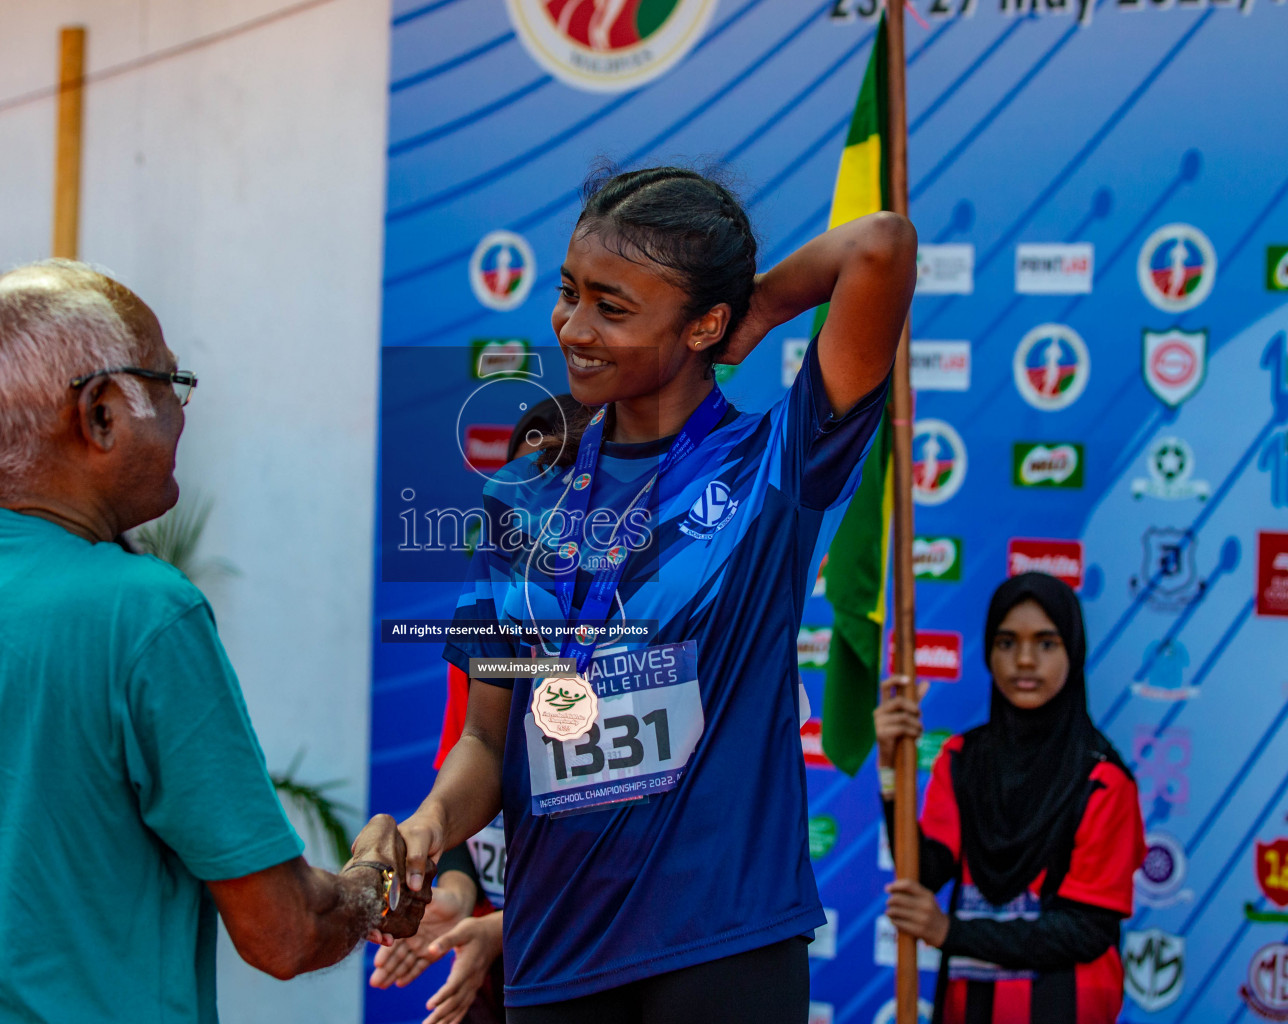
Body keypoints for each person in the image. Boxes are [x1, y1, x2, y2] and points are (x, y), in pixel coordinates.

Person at [0, 260, 426, 1024]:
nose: (183, 415)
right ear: (98, 414)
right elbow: (282, 933)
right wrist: (373, 888)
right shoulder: (146, 615)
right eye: (168, 384)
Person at [356, 165, 915, 1022]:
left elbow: (880, 246)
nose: (574, 329)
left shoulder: (774, 465)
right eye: (570, 293)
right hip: (555, 948)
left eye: (613, 308)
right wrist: (432, 824)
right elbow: (485, 737)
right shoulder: (520, 500)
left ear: (704, 324)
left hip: (723, 942)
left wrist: (757, 309)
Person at [371, 396, 582, 1024]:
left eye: (553, 496)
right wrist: (454, 887)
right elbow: (472, 774)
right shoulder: (492, 645)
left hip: (599, 962)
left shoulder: (640, 648)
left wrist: (502, 931)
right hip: (494, 962)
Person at [875, 572, 1145, 1024]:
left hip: (1066, 1006)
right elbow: (923, 871)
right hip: (969, 1005)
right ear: (988, 652)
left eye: (1045, 643)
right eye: (1006, 643)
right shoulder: (961, 759)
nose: (1024, 660)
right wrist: (890, 770)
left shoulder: (1103, 779)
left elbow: (1084, 930)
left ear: (1072, 652)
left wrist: (949, 930)